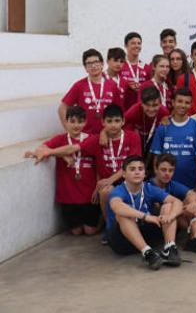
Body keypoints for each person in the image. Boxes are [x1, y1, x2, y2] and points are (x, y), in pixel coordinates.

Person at [24, 106, 99, 236]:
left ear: (85, 122)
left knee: (90, 231)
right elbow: (41, 148)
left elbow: (70, 149)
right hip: (68, 196)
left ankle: (102, 221)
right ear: (66, 121)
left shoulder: (91, 139)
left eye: (80, 121)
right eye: (73, 121)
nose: (76, 125)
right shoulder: (60, 139)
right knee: (76, 232)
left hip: (88, 195)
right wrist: (62, 155)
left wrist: (53, 152)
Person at [105, 155, 183, 269]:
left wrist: (171, 216)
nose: (137, 172)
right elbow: (117, 206)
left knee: (169, 205)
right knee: (123, 215)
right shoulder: (118, 190)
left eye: (140, 169)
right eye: (132, 169)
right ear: (123, 174)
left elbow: (177, 202)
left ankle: (170, 248)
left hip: (145, 234)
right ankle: (147, 253)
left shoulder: (148, 188)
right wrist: (145, 216)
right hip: (121, 240)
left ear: (145, 173)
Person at [79, 105, 142, 241]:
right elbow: (75, 147)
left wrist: (109, 179)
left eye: (117, 121)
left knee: (108, 186)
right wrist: (48, 149)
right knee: (106, 191)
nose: (113, 125)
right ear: (103, 122)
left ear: (123, 121)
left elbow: (131, 165)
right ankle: (110, 229)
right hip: (110, 184)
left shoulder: (133, 137)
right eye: (109, 121)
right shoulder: (97, 140)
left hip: (130, 181)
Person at [148, 153, 196, 253]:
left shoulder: (172, 184)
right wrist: (186, 210)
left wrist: (193, 205)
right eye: (163, 170)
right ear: (155, 169)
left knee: (192, 199)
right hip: (155, 226)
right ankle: (173, 246)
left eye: (171, 170)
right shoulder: (149, 186)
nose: (167, 173)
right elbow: (159, 211)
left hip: (172, 223)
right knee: (170, 206)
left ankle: (194, 239)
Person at [150, 89, 196, 190]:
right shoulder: (163, 127)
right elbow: (156, 158)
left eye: (187, 102)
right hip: (166, 187)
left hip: (191, 185)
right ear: (173, 103)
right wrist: (158, 184)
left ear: (191, 104)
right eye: (180, 101)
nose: (183, 105)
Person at [60, 49, 123, 135]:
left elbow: (119, 111)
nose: (93, 66)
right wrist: (69, 129)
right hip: (85, 135)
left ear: (102, 64)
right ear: (85, 68)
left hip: (107, 135)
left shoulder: (113, 85)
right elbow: (62, 108)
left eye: (96, 62)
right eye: (89, 64)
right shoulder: (79, 85)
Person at [124, 86, 170, 154]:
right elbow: (120, 123)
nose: (151, 109)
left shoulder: (164, 113)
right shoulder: (134, 111)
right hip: (137, 141)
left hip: (153, 142)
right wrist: (105, 132)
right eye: (147, 105)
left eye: (155, 105)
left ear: (160, 104)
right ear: (141, 103)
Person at [120, 32, 151, 110]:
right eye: (133, 43)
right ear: (126, 46)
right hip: (124, 108)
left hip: (142, 109)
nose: (137, 46)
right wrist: (127, 85)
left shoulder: (147, 67)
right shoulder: (119, 66)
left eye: (139, 43)